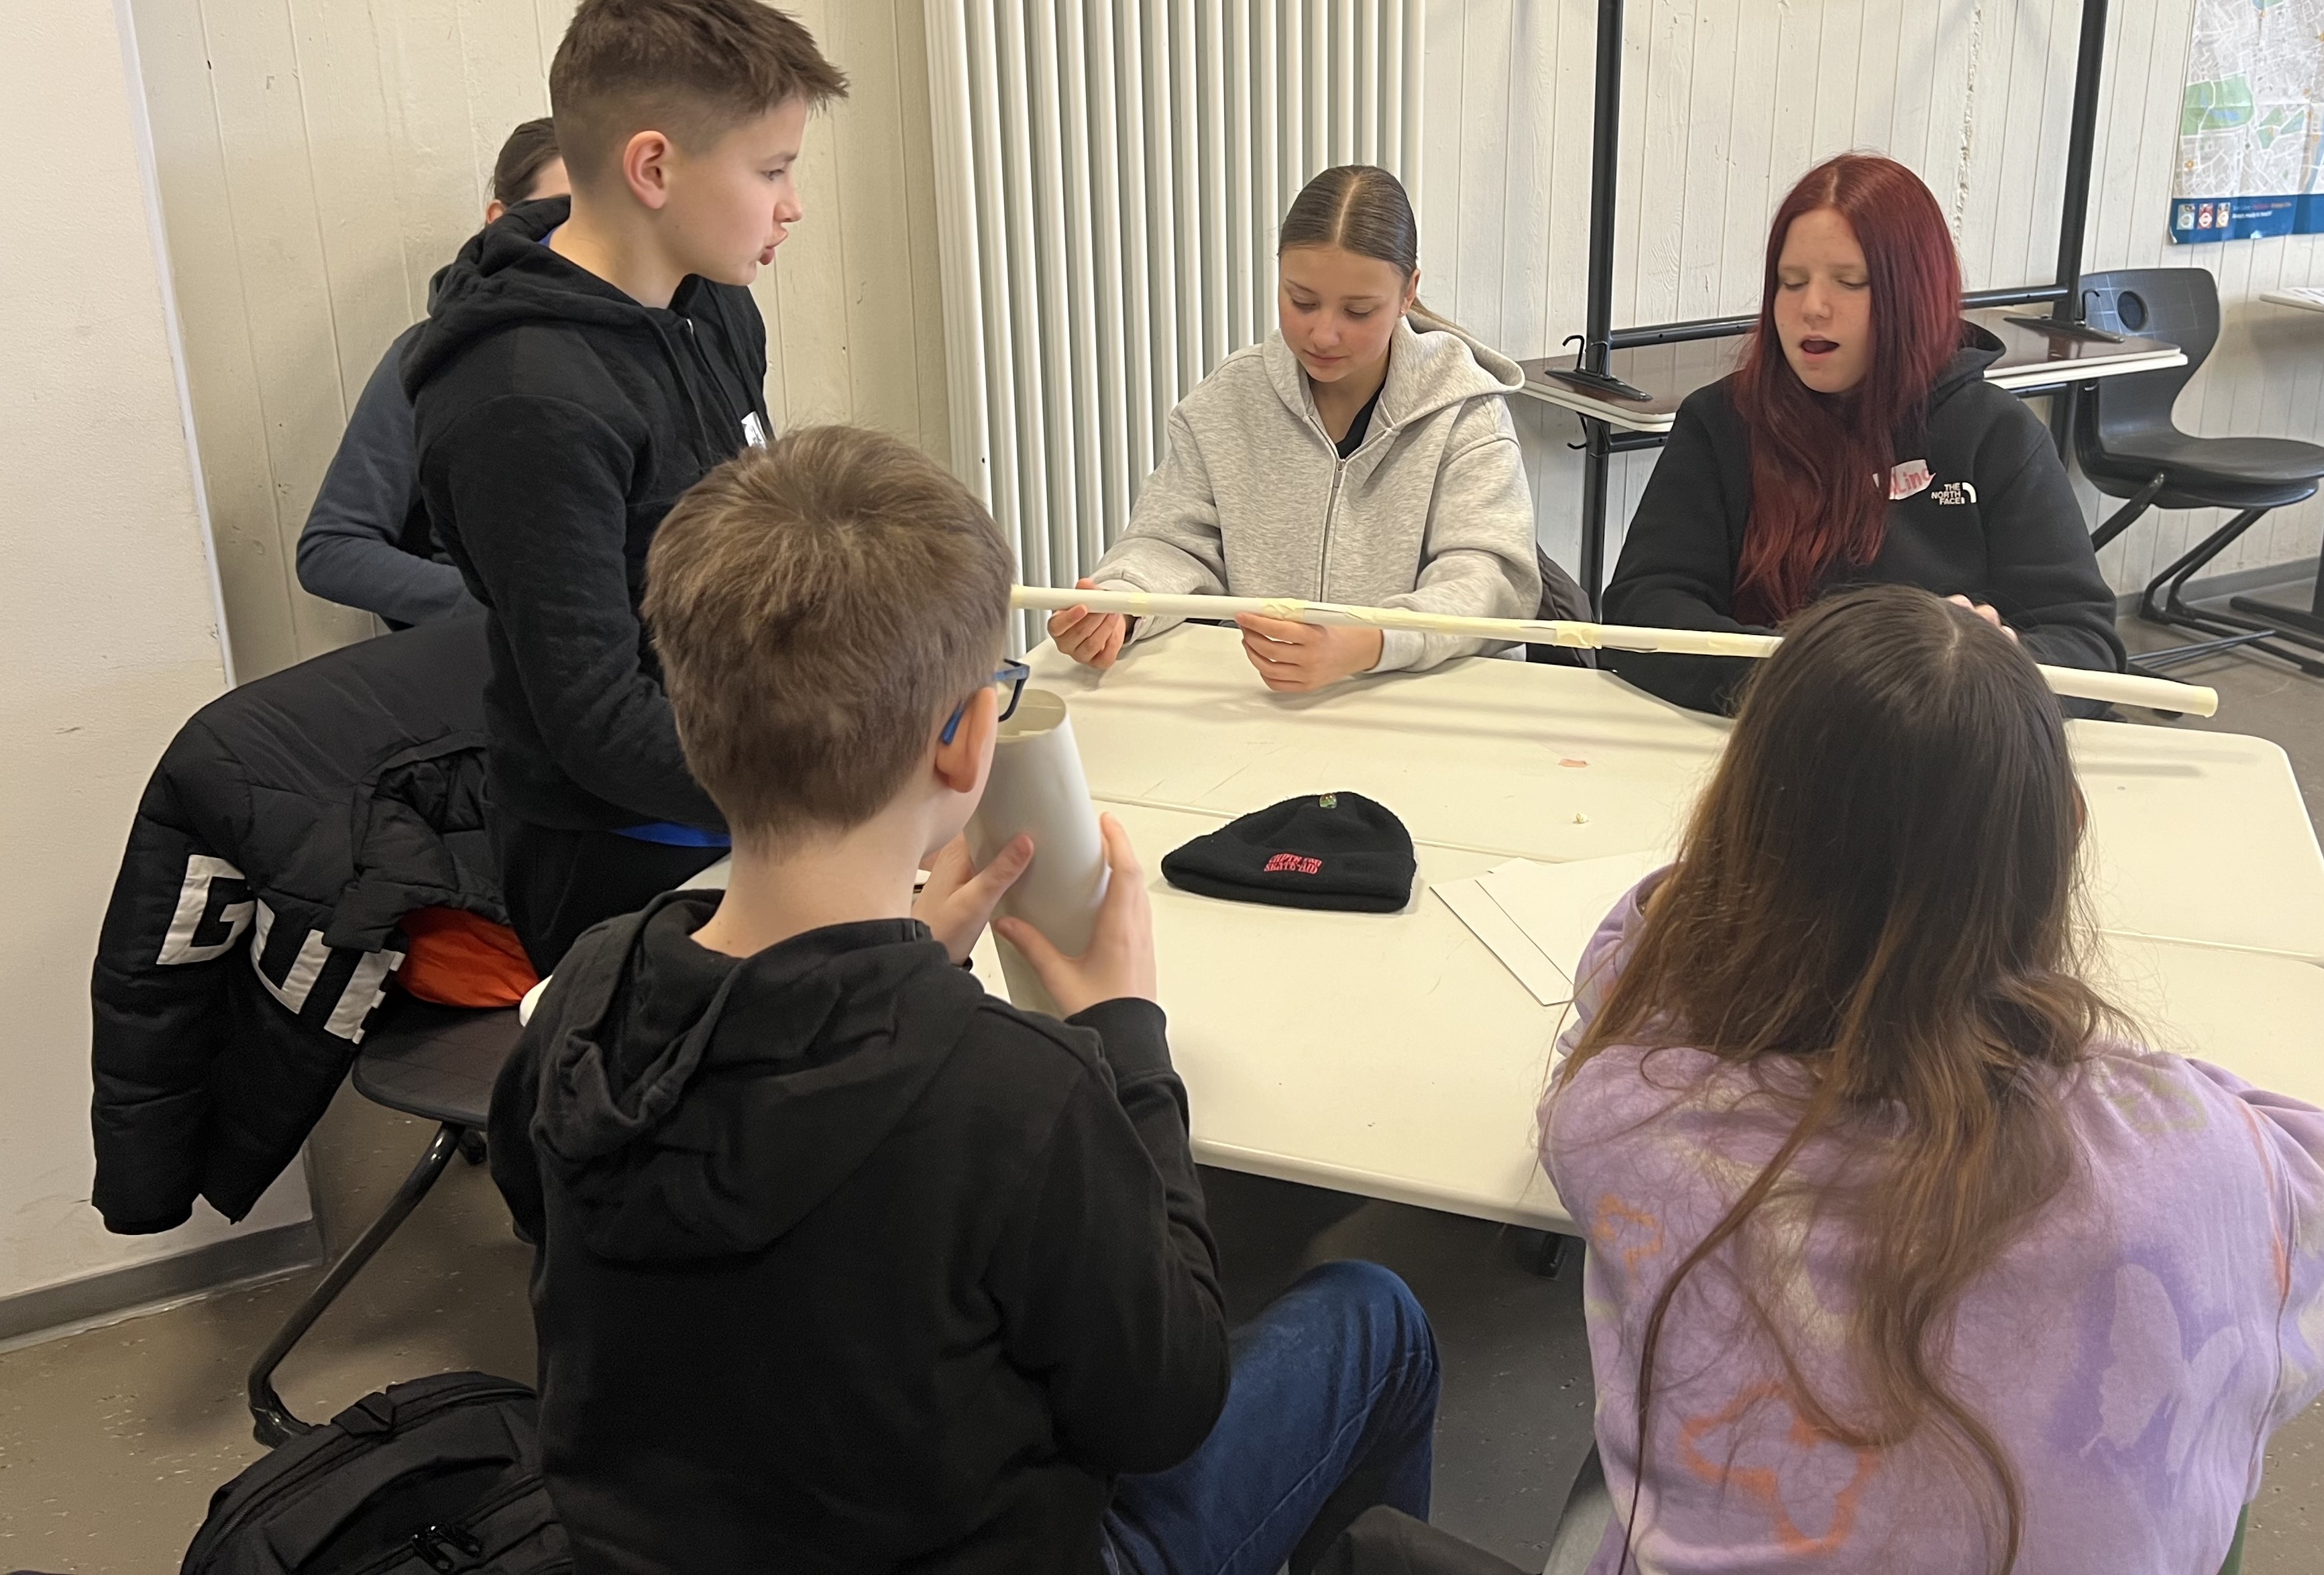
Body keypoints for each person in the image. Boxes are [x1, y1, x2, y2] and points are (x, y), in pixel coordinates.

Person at [486, 424, 1441, 1574]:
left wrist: (908, 971)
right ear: (968, 742)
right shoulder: (1018, 1093)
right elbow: (1168, 1404)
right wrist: (1127, 1043)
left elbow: (557, 1208)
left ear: (691, 720)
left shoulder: (585, 991)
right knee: (1375, 1316)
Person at [1539, 585, 2324, 1574]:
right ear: (2062, 834)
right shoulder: (2196, 1160)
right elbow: (2317, 1205)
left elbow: (1618, 988)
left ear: (1735, 836)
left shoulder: (1625, 1118)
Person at [402, 0, 847, 975]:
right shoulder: (523, 400)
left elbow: (752, 548)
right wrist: (836, 789)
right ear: (653, 168)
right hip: (624, 852)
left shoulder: (714, 301)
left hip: (747, 786)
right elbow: (599, 721)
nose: (793, 205)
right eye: (771, 170)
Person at [1598, 154, 2124, 714]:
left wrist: (1992, 662)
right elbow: (1643, 611)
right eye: (1791, 283)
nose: (1812, 308)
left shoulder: (1997, 435)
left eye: (1849, 283)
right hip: (1770, 740)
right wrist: (1812, 676)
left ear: (1913, 295)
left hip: (1948, 749)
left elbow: (2086, 646)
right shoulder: (1722, 422)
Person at [1048, 164, 1541, 692]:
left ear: (1408, 293)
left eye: (1358, 311)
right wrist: (1122, 601)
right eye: (1301, 301)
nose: (1323, 334)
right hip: (1263, 705)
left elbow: (1488, 581)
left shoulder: (1466, 412)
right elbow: (1172, 542)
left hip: (1420, 704)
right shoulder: (1228, 401)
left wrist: (1372, 642)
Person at [294, 118, 569, 631]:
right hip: (495, 659)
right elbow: (331, 548)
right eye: (563, 212)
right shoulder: (428, 357)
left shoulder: (675, 344)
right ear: (500, 221)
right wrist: (502, 614)